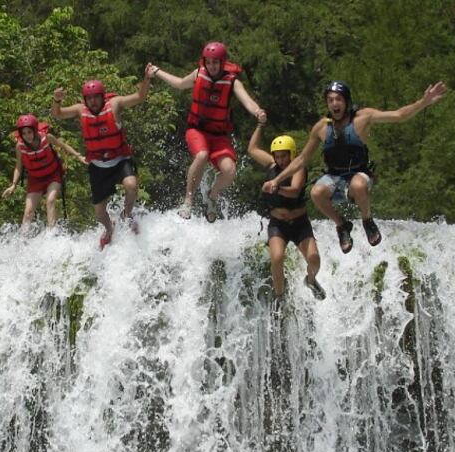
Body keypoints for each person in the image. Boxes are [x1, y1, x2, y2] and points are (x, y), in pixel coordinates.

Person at [262, 80, 447, 253]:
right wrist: (276, 180)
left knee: (358, 185)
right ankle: (342, 225)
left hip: (358, 174)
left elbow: (399, 115)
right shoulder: (321, 127)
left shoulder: (363, 118)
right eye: (330, 100)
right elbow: (301, 159)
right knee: (316, 193)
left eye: (338, 99)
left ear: (346, 101)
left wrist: (424, 102)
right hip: (335, 177)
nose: (335, 104)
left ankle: (367, 220)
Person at [148, 42, 266, 222]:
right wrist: (157, 71)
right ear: (205, 62)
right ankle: (188, 200)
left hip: (218, 136)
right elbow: (179, 84)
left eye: (215, 62)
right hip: (197, 131)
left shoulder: (232, 81)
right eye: (209, 62)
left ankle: (212, 196)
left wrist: (257, 111)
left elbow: (247, 101)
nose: (212, 66)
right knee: (202, 155)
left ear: (222, 62)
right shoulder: (198, 74)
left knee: (230, 170)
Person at [50, 65, 155, 249]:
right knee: (99, 213)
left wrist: (146, 79)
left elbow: (139, 97)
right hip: (98, 166)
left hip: (120, 159)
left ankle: (127, 215)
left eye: (95, 97)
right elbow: (56, 115)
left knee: (131, 185)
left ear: (102, 96)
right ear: (85, 100)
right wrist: (56, 100)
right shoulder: (79, 110)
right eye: (89, 98)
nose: (92, 101)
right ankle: (109, 229)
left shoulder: (114, 105)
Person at [247, 122, 325, 301]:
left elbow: (295, 190)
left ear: (292, 155)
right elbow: (252, 149)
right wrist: (259, 125)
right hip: (278, 224)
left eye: (284, 156)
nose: (281, 160)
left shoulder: (298, 168)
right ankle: (279, 296)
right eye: (278, 156)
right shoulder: (271, 165)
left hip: (299, 223)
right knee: (277, 257)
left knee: (314, 259)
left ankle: (311, 280)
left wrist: (275, 187)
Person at [2, 114, 85, 232]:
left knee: (50, 200)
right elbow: (18, 167)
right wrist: (13, 184)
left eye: (29, 132)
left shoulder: (47, 138)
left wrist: (78, 156)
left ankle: (52, 234)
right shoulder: (20, 146)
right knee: (28, 211)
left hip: (53, 175)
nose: (27, 136)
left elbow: (64, 146)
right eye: (24, 133)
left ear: (35, 130)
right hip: (35, 179)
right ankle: (22, 241)